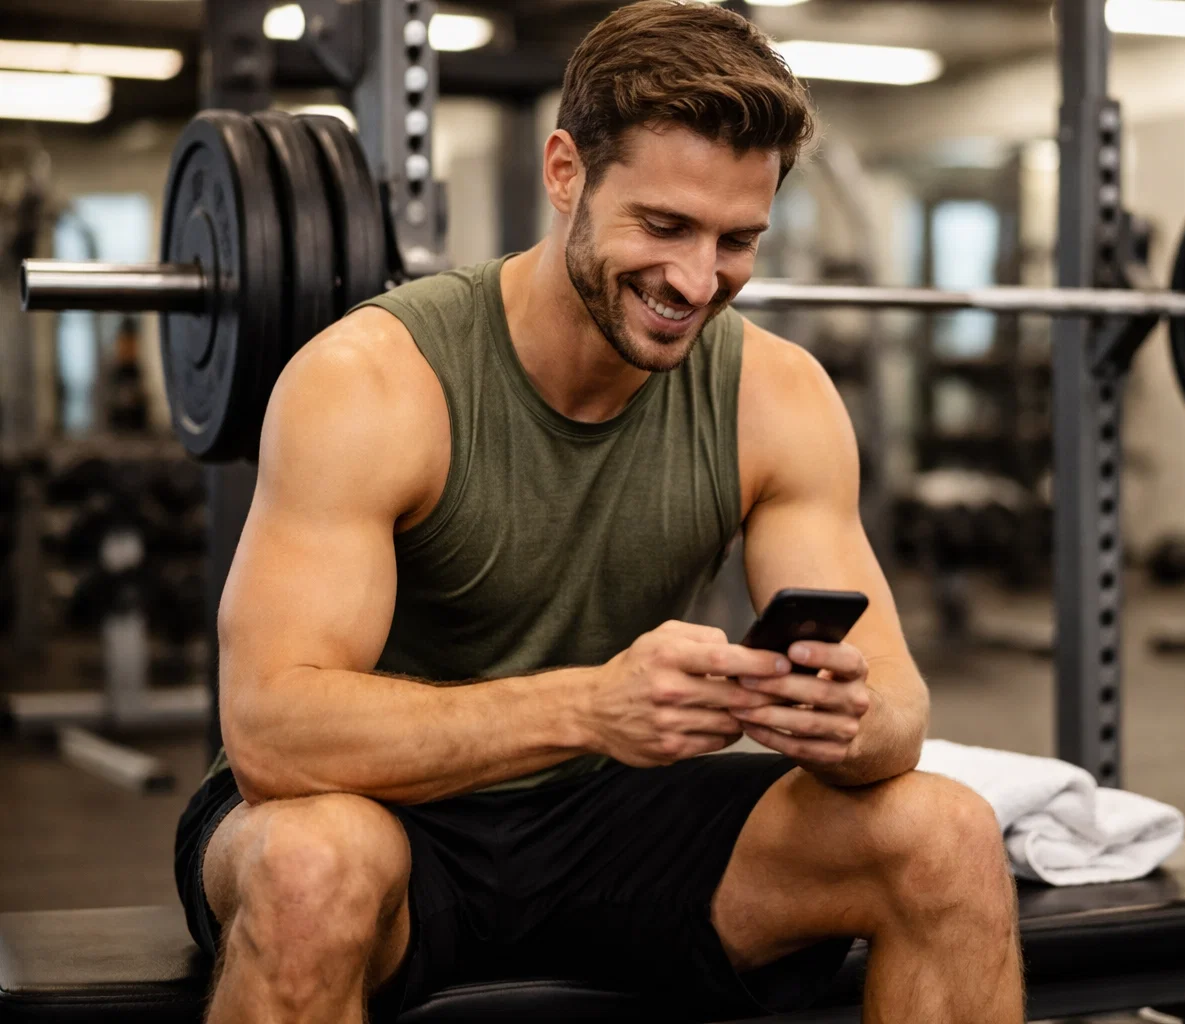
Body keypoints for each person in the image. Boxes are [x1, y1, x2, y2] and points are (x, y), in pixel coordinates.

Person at [173, 3, 1023, 1022]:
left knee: (946, 834)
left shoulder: (775, 397)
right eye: (663, 226)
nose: (697, 279)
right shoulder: (371, 381)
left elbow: (899, 715)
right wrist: (589, 707)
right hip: (369, 806)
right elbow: (273, 733)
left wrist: (849, 719)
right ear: (566, 170)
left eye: (736, 239)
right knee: (311, 867)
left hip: (601, 815)